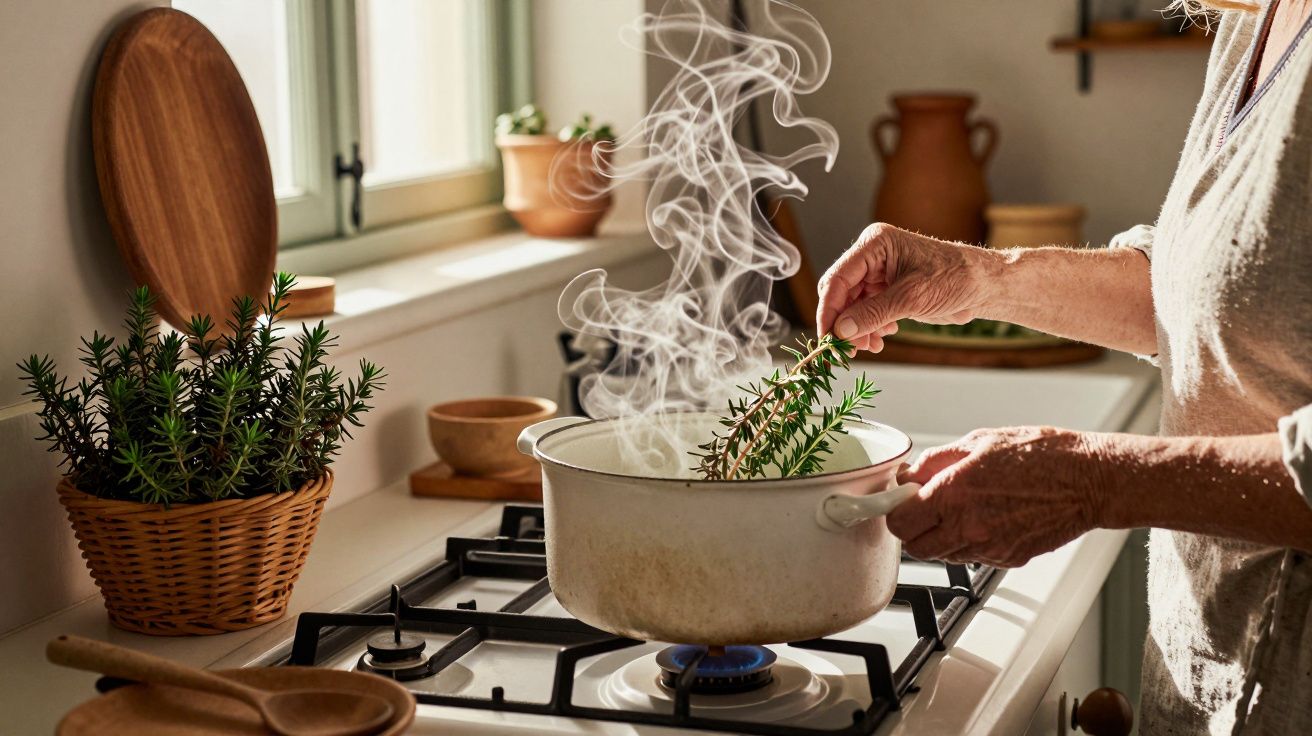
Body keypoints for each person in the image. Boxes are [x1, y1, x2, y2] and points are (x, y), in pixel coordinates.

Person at [816, 1, 1312, 733]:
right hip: (1212, 678)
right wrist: (978, 279)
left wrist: (1096, 481)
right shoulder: (1254, 14)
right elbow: (1222, 297)